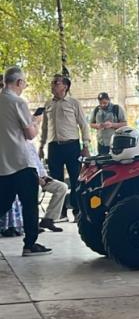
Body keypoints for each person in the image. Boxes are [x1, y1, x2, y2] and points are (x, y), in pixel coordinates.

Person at [0, 67, 52, 255]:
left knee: (3, 203)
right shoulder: (18, 102)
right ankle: (30, 244)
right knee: (29, 205)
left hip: (2, 164)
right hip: (21, 162)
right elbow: (29, 134)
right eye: (24, 82)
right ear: (19, 82)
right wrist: (36, 122)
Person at [38, 73, 90, 220]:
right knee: (56, 180)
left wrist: (85, 145)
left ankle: (76, 210)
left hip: (72, 145)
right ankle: (59, 213)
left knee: (75, 178)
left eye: (56, 83)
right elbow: (44, 127)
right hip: (54, 146)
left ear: (65, 86)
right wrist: (41, 145)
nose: (52, 85)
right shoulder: (48, 104)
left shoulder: (73, 103)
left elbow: (83, 124)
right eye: (52, 82)